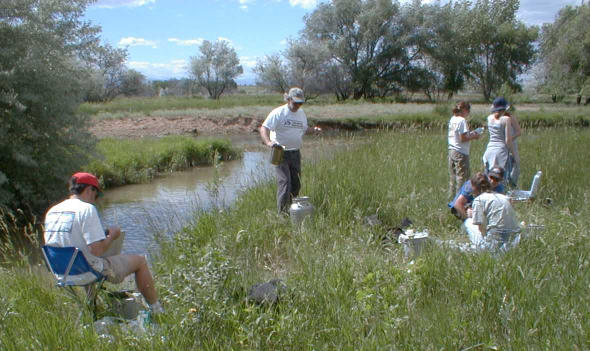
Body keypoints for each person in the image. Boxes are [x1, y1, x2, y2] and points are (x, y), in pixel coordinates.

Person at [44, 172, 164, 314]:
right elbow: (97, 251)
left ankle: (92, 311)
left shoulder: (52, 211)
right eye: (97, 195)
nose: (95, 200)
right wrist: (112, 235)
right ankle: (157, 311)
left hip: (61, 272)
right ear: (89, 190)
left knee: (84, 258)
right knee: (140, 261)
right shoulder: (87, 209)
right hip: (87, 271)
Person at [260, 87, 308, 213]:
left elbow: (302, 129)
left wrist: (315, 130)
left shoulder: (301, 113)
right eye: (296, 102)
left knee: (296, 184)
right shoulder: (278, 112)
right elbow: (264, 128)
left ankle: (293, 210)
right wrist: (269, 143)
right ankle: (282, 215)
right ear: (289, 99)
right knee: (285, 183)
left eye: (300, 103)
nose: (298, 105)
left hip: (295, 152)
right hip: (279, 152)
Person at [464, 172, 521, 252]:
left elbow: (481, 228)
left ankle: (479, 247)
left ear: (474, 187)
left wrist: (473, 216)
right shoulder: (504, 197)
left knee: (468, 222)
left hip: (495, 239)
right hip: (514, 238)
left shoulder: (478, 200)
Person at [447, 101, 481, 199]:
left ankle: (451, 197)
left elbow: (458, 135)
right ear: (464, 110)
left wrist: (471, 133)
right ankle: (459, 200)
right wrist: (474, 136)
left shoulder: (453, 118)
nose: (468, 113)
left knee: (453, 177)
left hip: (451, 150)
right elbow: (463, 139)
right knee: (462, 178)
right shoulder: (462, 120)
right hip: (460, 152)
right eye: (468, 111)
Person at [482, 97, 517, 185]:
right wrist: (515, 154)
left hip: (489, 150)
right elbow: (508, 140)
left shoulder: (489, 118)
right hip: (501, 152)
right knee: (502, 180)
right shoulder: (506, 119)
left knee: (488, 179)